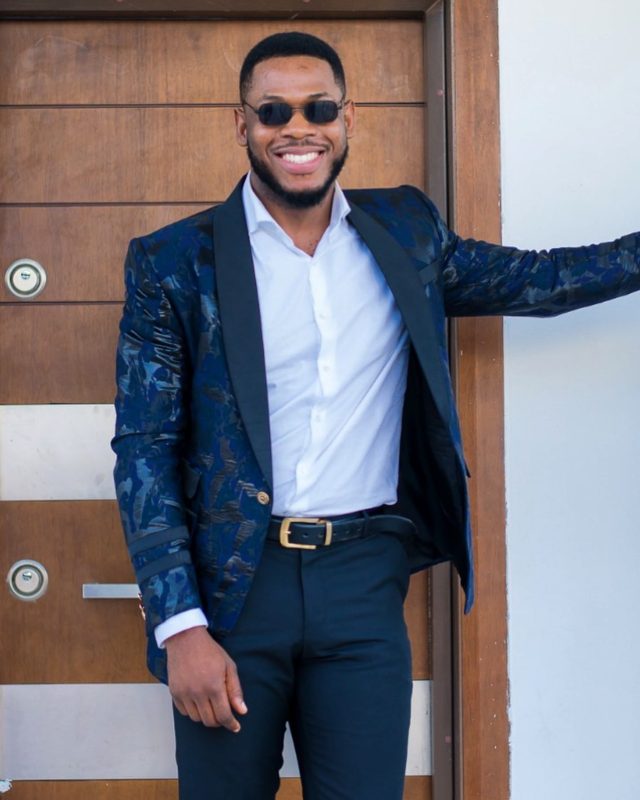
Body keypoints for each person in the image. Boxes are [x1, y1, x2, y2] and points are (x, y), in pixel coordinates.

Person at [111, 31, 640, 800]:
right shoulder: (173, 262)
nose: (298, 128)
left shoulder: (407, 233)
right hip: (232, 591)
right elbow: (145, 448)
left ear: (348, 117)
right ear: (242, 124)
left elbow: (541, 281)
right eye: (274, 111)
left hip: (362, 584)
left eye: (319, 108)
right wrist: (178, 625)